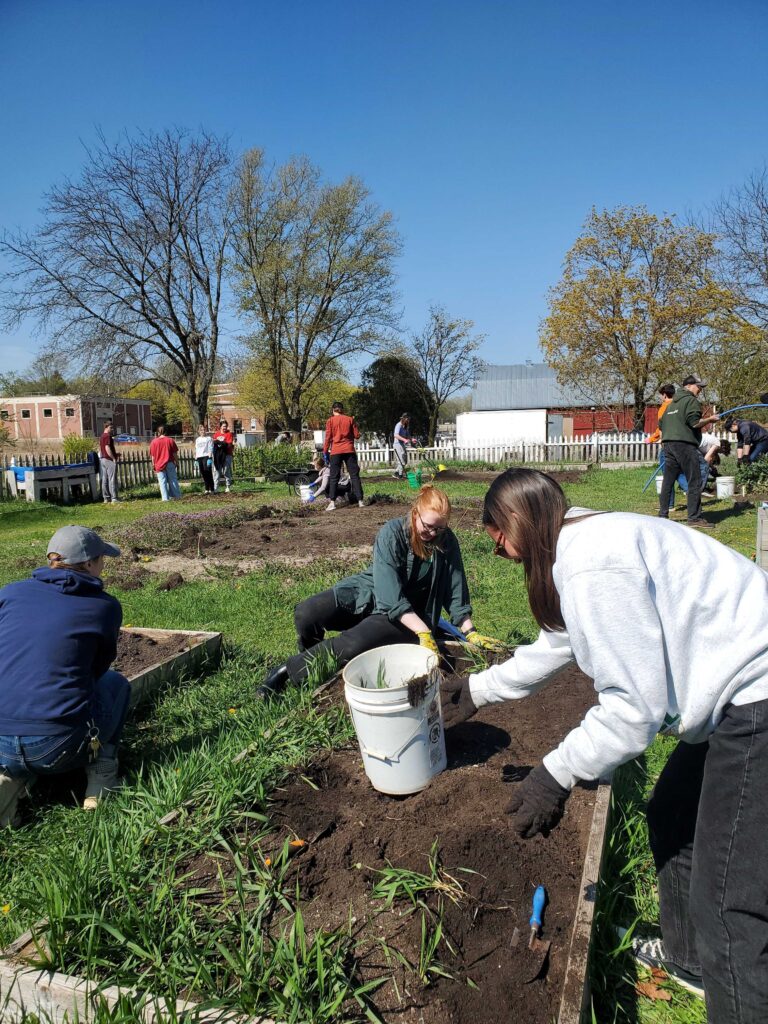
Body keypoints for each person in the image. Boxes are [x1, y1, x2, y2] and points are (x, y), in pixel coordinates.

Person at [441, 468, 768, 1020]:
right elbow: (556, 646)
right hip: (733, 692)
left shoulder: (593, 563)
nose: (497, 549)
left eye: (496, 533)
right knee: (670, 813)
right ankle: (690, 963)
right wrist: (477, 689)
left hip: (755, 696)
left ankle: (733, 989)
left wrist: (555, 773)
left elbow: (633, 711)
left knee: (727, 904)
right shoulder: (579, 540)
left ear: (518, 517)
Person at [257, 485, 502, 698]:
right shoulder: (392, 533)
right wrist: (426, 633)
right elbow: (389, 594)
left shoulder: (446, 542)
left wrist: (470, 632)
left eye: (440, 529)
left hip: (409, 617)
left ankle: (285, 673)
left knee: (354, 642)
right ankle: (314, 670)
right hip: (375, 594)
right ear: (415, 513)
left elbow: (456, 588)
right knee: (307, 612)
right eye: (429, 527)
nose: (433, 534)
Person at [0, 526, 130, 825]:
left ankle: (9, 776)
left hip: (1, 740)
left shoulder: (9, 593)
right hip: (58, 747)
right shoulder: (103, 606)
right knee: (115, 684)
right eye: (100, 559)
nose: (103, 565)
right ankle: (101, 779)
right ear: (87, 564)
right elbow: (97, 669)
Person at [658, 375, 719, 528]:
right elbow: (695, 423)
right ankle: (694, 518)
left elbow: (661, 424)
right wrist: (710, 420)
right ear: (689, 386)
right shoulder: (691, 401)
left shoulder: (670, 404)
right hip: (684, 444)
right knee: (695, 480)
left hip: (668, 445)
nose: (700, 390)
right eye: (699, 386)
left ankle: (662, 515)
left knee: (668, 480)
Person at [647, 385, 686, 510]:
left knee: (669, 476)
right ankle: (695, 497)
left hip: (668, 445)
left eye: (660, 395)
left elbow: (662, 427)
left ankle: (669, 505)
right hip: (680, 443)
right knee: (679, 473)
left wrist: (651, 439)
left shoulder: (664, 407)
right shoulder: (678, 405)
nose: (660, 397)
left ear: (664, 394)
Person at [323, 402, 364, 511]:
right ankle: (360, 501)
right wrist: (355, 424)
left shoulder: (330, 421)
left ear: (333, 410)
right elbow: (357, 435)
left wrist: (325, 451)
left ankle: (332, 502)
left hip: (336, 451)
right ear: (342, 410)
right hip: (349, 450)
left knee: (334, 477)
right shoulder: (350, 419)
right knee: (354, 475)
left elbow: (327, 437)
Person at [149, 425, 181, 501]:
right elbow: (174, 454)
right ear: (166, 431)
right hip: (169, 463)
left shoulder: (154, 442)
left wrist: (153, 465)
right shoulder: (170, 440)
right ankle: (177, 496)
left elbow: (153, 456)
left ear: (158, 432)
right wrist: (177, 463)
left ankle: (165, 498)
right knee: (173, 480)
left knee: (162, 482)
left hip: (159, 464)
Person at [99, 420, 120, 504]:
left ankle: (106, 498)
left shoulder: (101, 436)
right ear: (106, 427)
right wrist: (113, 458)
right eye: (110, 427)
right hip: (109, 459)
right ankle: (114, 498)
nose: (112, 429)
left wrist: (116, 453)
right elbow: (107, 448)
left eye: (112, 427)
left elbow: (102, 449)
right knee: (112, 479)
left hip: (103, 459)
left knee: (105, 479)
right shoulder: (107, 436)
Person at [212, 419, 234, 493]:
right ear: (220, 426)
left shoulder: (229, 434)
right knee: (217, 471)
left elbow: (229, 444)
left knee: (226, 471)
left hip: (227, 455)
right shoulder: (216, 434)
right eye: (223, 426)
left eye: (226, 426)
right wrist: (220, 443)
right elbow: (214, 442)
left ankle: (228, 486)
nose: (225, 428)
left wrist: (220, 443)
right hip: (218, 456)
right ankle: (216, 487)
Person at [393, 413, 415, 479]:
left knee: (405, 461)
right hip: (397, 444)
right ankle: (400, 475)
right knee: (401, 460)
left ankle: (396, 473)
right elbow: (396, 435)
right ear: (404, 418)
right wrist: (404, 440)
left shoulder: (405, 426)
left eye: (408, 419)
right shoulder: (398, 425)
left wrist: (412, 439)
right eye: (407, 419)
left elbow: (408, 435)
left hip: (402, 444)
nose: (408, 420)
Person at [195, 424, 215, 495]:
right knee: (203, 473)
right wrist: (196, 459)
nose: (203, 431)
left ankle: (212, 488)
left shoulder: (208, 438)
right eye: (201, 430)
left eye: (204, 430)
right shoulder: (197, 440)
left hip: (206, 456)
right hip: (200, 457)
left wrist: (209, 458)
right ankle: (206, 488)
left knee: (208, 472)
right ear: (198, 431)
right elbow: (197, 449)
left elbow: (210, 448)